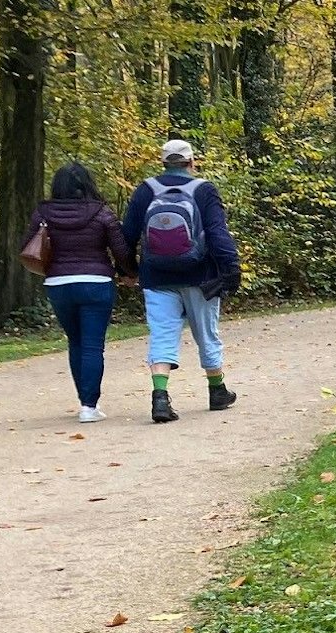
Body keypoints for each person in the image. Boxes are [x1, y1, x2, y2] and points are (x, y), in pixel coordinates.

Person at [122, 139, 243, 423]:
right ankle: (217, 391)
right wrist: (231, 269)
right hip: (201, 276)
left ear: (163, 162)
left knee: (162, 334)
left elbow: (126, 235)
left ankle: (160, 399)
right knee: (206, 334)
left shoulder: (146, 190)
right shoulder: (204, 190)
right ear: (191, 162)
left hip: (156, 277)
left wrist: (129, 270)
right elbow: (217, 233)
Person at [29, 162, 136, 422]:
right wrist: (132, 272)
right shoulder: (101, 213)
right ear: (88, 184)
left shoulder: (42, 213)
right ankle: (89, 406)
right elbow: (120, 250)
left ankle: (85, 401)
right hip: (96, 282)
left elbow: (29, 246)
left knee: (75, 341)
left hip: (58, 284)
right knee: (92, 344)